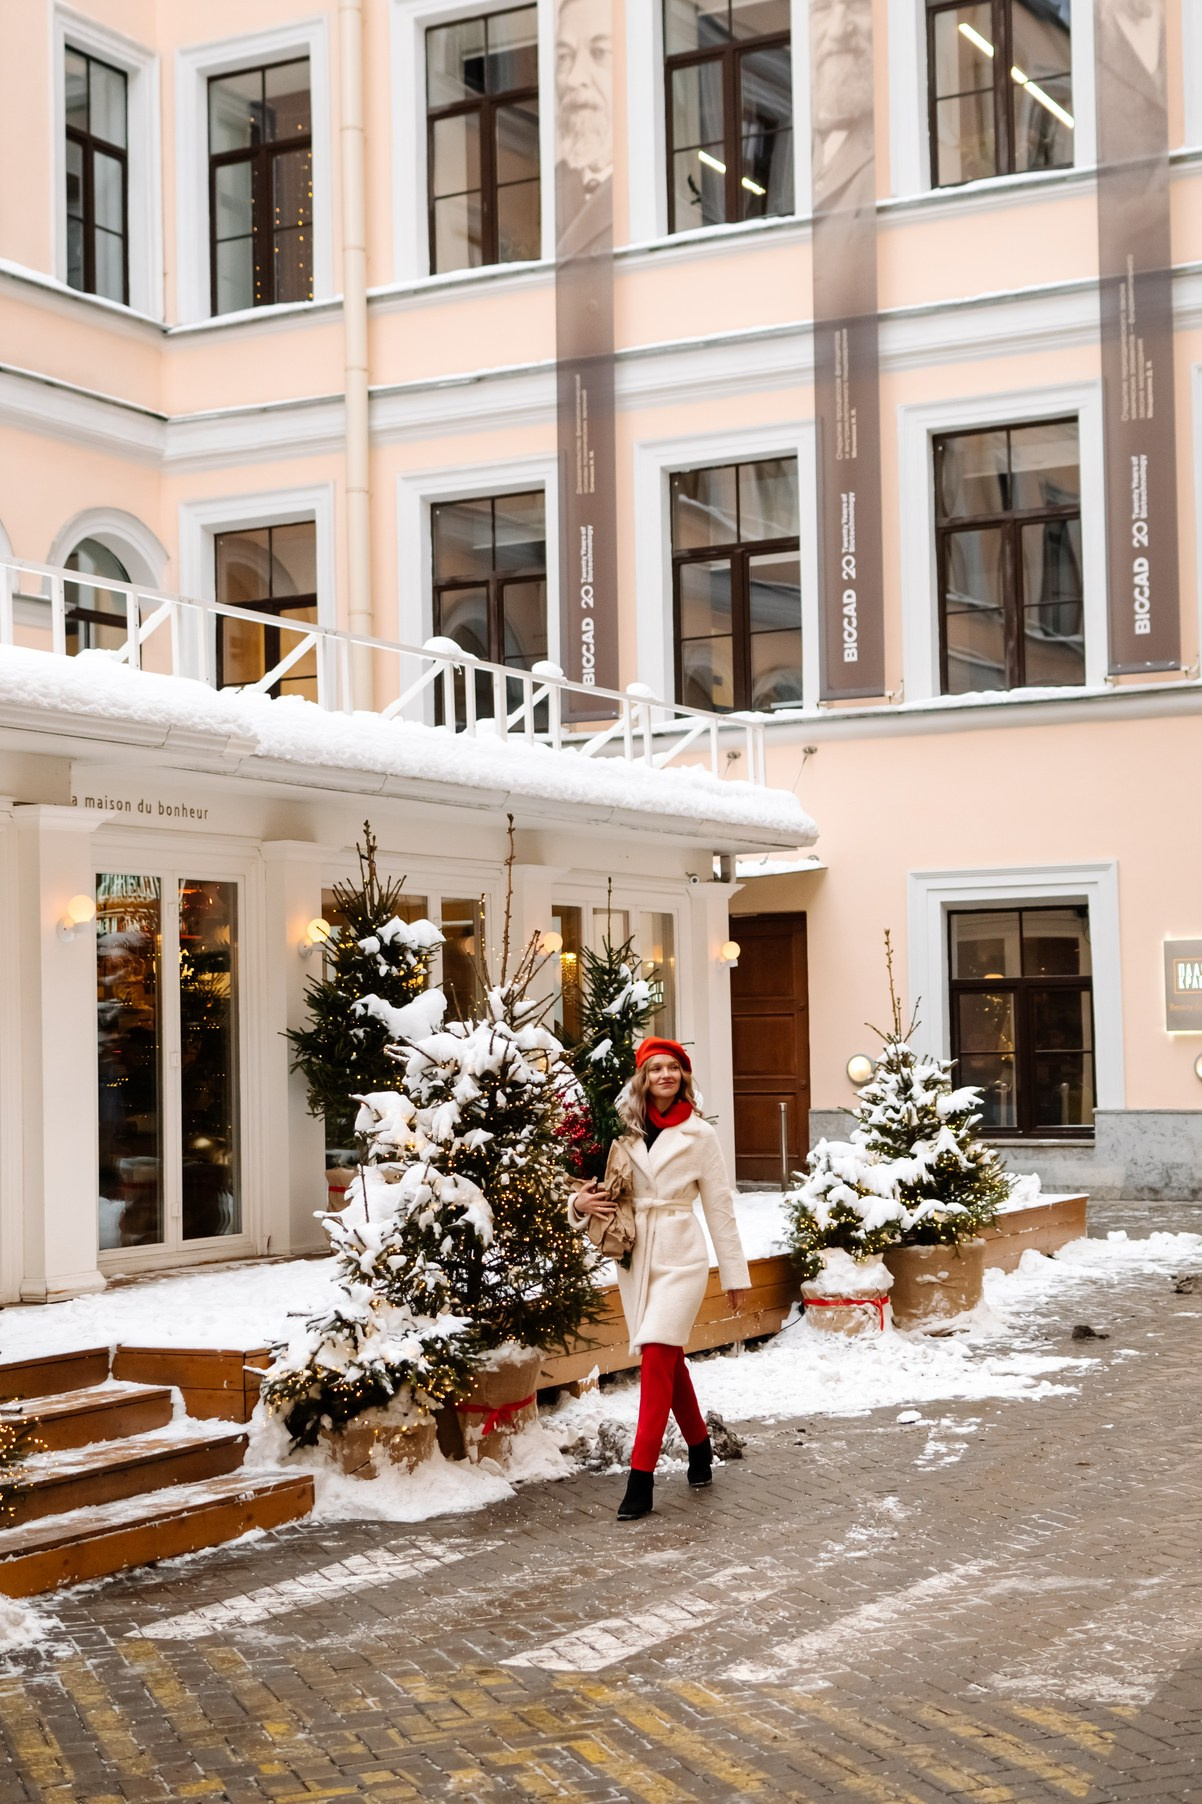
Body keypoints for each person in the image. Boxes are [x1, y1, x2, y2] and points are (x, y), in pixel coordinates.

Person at [571, 1037, 750, 1521]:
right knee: (668, 1360)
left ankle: (641, 1477)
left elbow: (719, 1208)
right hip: (634, 1257)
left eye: (673, 1068)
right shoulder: (621, 1129)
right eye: (656, 1069)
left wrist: (734, 1273)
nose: (665, 1075)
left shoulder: (700, 1135)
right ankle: (698, 1446)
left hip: (681, 1255)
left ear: (683, 1077)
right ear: (643, 1078)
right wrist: (577, 1206)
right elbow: (585, 1187)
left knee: (654, 1356)